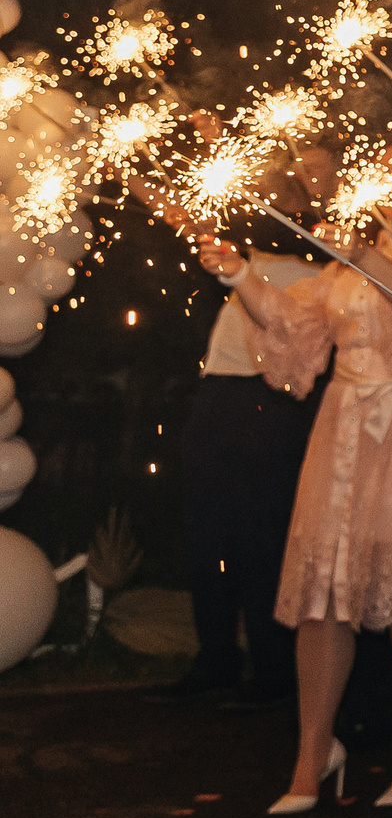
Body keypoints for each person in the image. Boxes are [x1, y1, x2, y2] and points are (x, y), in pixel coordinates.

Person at [194, 138, 392, 816]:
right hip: (342, 425)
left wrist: (363, 254)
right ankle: (313, 750)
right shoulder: (352, 256)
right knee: (321, 589)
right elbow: (294, 323)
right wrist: (239, 275)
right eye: (385, 167)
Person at [139, 147, 333, 709]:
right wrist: (131, 175)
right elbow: (181, 212)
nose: (280, 197)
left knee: (262, 535)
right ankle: (217, 658)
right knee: (208, 530)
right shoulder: (248, 252)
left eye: (293, 191)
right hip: (218, 395)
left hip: (270, 405)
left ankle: (274, 669)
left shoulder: (328, 268)